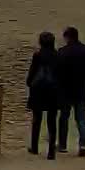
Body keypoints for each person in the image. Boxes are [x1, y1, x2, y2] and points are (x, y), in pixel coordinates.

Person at [54, 26, 85, 156]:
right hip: (81, 88)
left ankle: (62, 145)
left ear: (67, 37)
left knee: (64, 117)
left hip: (66, 90)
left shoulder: (62, 52)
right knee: (81, 119)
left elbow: (57, 71)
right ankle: (83, 145)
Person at [26, 31, 61, 159]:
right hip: (53, 91)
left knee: (37, 120)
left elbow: (32, 73)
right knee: (52, 121)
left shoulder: (38, 55)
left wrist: (30, 83)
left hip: (39, 90)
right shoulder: (57, 55)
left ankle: (34, 147)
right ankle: (51, 151)